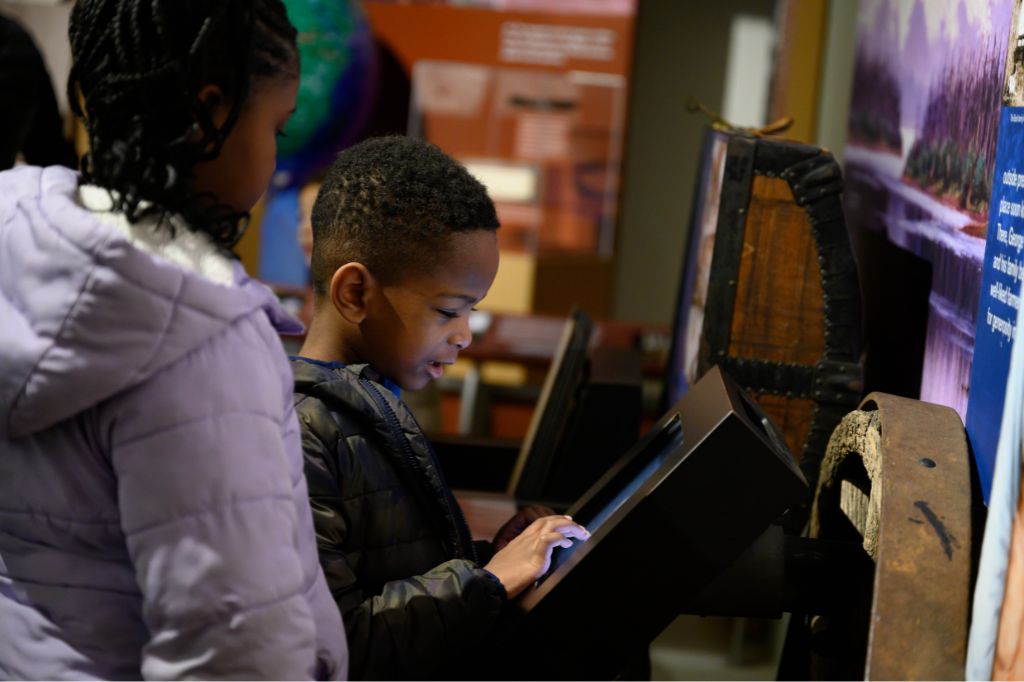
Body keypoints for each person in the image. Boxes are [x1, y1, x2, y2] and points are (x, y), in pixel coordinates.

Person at [0, 1, 347, 679]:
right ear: (209, 114)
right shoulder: (203, 338)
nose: (277, 158)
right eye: (275, 126)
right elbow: (239, 648)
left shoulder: (16, 241)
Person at [294, 135, 590, 679]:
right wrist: (489, 583)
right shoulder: (300, 432)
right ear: (355, 294)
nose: (465, 336)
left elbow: (398, 572)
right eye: (449, 310)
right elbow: (334, 646)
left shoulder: (367, 404)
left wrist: (491, 556)